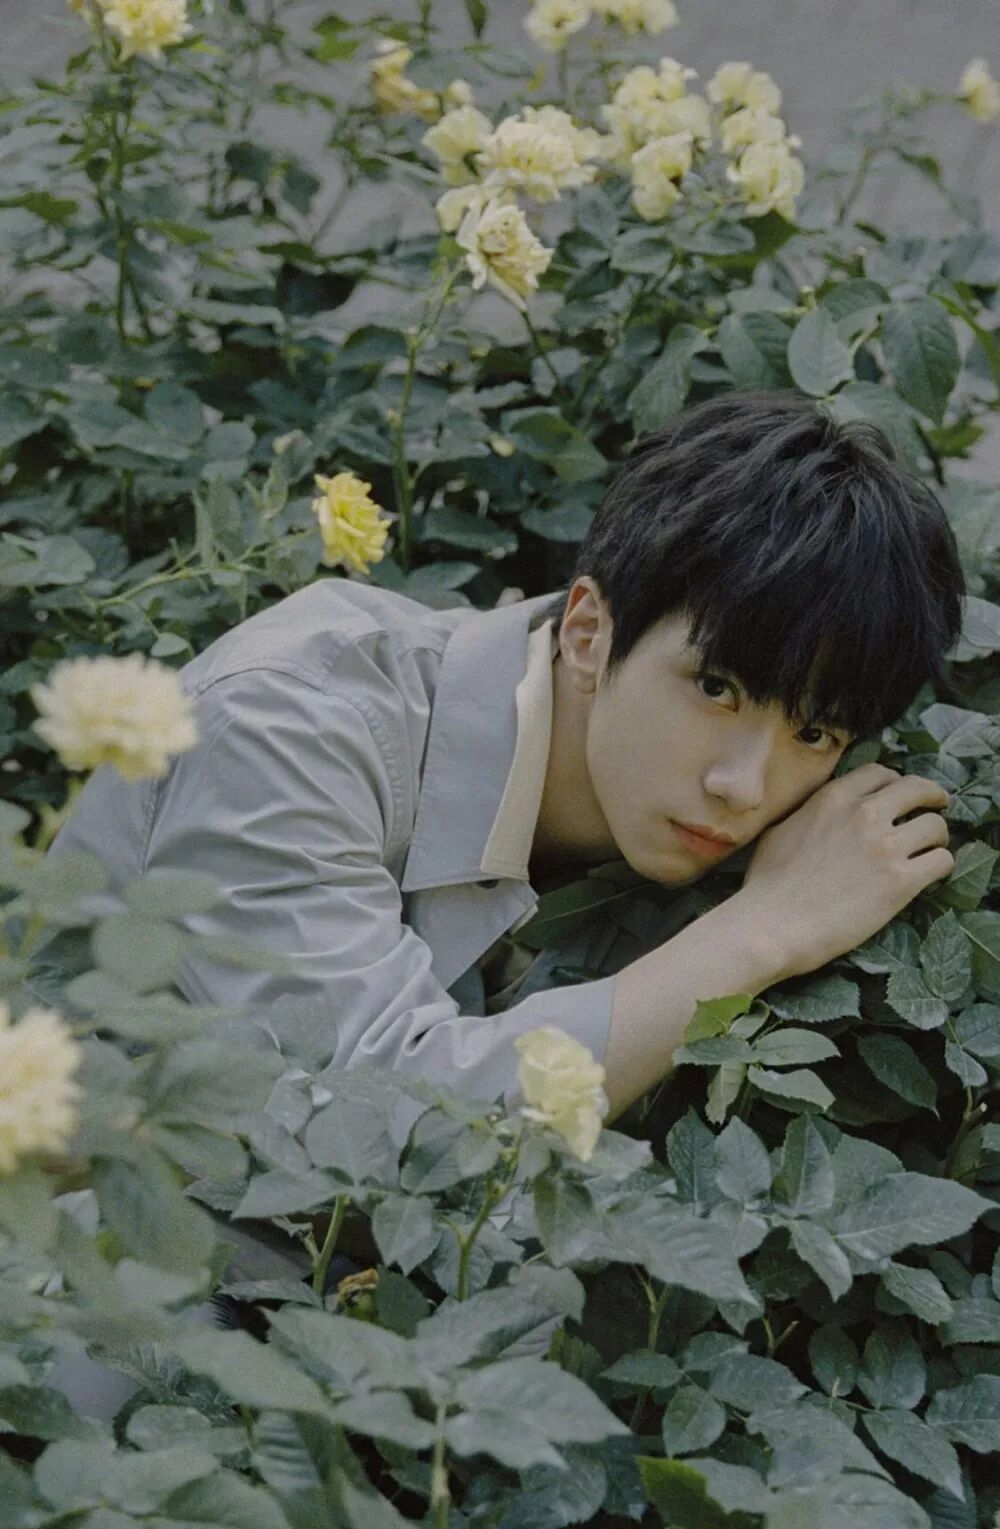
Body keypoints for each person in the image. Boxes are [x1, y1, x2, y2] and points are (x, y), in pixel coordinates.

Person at [46, 389, 961, 1349]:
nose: (745, 786)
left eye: (815, 732)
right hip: (79, 1273)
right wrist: (761, 932)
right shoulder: (289, 720)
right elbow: (377, 1134)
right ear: (587, 631)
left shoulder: (746, 826)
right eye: (717, 687)